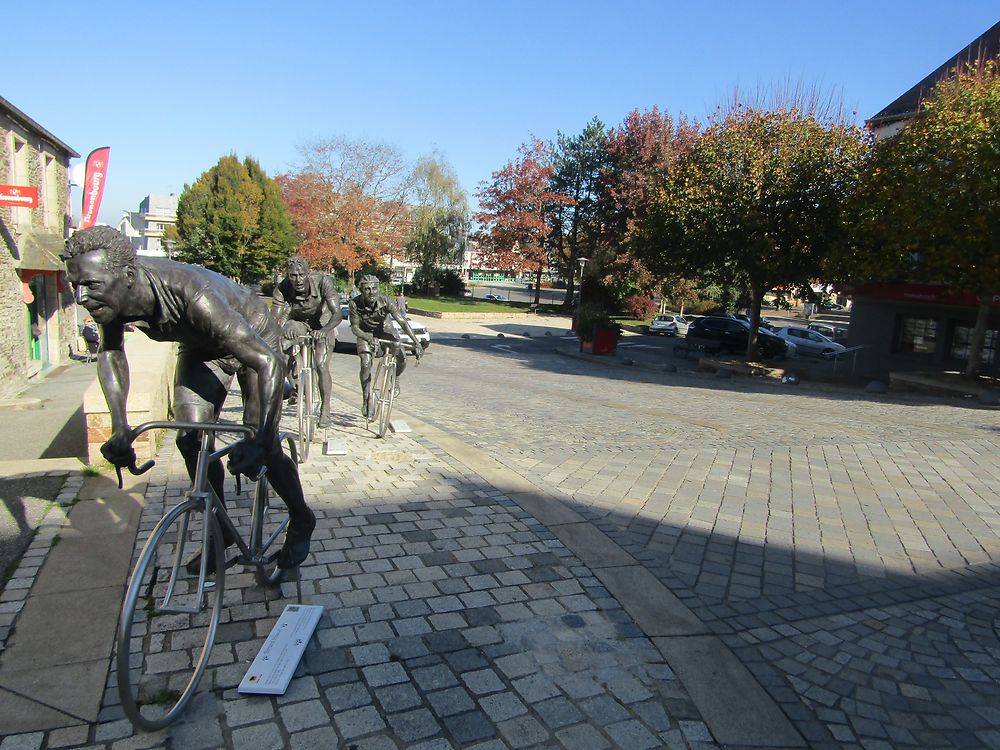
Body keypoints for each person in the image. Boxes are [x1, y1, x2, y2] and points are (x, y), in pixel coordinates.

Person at [63, 226, 315, 572]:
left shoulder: (192, 294)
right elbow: (110, 352)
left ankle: (302, 518)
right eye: (75, 285)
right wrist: (120, 427)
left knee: (263, 445)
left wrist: (259, 438)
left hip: (254, 340)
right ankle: (220, 532)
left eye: (90, 285)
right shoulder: (111, 295)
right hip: (203, 347)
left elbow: (267, 361)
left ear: (129, 276)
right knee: (190, 439)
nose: (81, 298)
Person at [271, 256, 342, 429]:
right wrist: (281, 330)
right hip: (299, 322)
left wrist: (324, 331)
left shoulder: (323, 282)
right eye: (293, 276)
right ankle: (298, 386)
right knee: (282, 346)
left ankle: (325, 409)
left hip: (324, 322)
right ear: (288, 276)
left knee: (321, 364)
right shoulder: (282, 288)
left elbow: (337, 313)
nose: (298, 280)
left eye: (301, 275)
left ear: (307, 273)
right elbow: (275, 317)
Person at [349, 275, 423, 417]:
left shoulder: (385, 301)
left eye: (375, 288)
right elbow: (355, 328)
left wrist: (416, 342)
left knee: (402, 356)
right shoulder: (354, 303)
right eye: (367, 289)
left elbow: (402, 321)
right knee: (365, 364)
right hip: (365, 333)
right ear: (361, 290)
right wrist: (368, 338)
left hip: (386, 330)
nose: (371, 292)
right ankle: (366, 400)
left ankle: (394, 377)